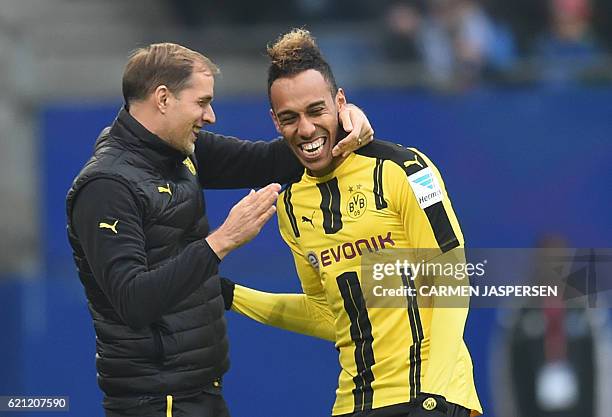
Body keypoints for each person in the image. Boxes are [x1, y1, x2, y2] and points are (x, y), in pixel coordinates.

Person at [65, 42, 373, 417]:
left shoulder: (178, 150)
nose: (210, 115)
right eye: (201, 102)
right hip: (154, 401)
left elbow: (275, 161)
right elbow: (132, 301)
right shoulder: (107, 186)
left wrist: (343, 117)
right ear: (163, 98)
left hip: (199, 391)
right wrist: (223, 240)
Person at [223, 29, 482, 417]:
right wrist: (231, 296)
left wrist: (435, 397)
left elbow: (450, 278)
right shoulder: (292, 206)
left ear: (340, 102)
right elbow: (328, 313)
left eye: (316, 110)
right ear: (275, 122)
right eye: (290, 118)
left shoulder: (405, 169)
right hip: (354, 403)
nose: (306, 129)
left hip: (431, 398)